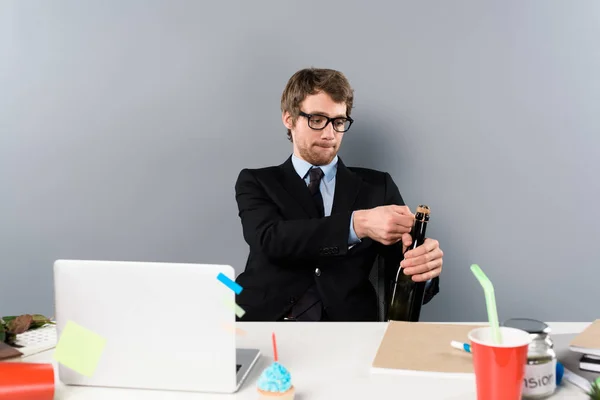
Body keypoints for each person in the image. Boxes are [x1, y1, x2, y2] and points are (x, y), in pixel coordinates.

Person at [234, 67, 444, 322]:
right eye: (317, 119)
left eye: (338, 121)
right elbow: (270, 239)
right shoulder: (256, 181)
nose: (329, 134)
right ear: (289, 119)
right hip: (264, 323)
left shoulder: (378, 187)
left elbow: (401, 269)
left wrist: (424, 268)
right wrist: (356, 224)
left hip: (348, 329)